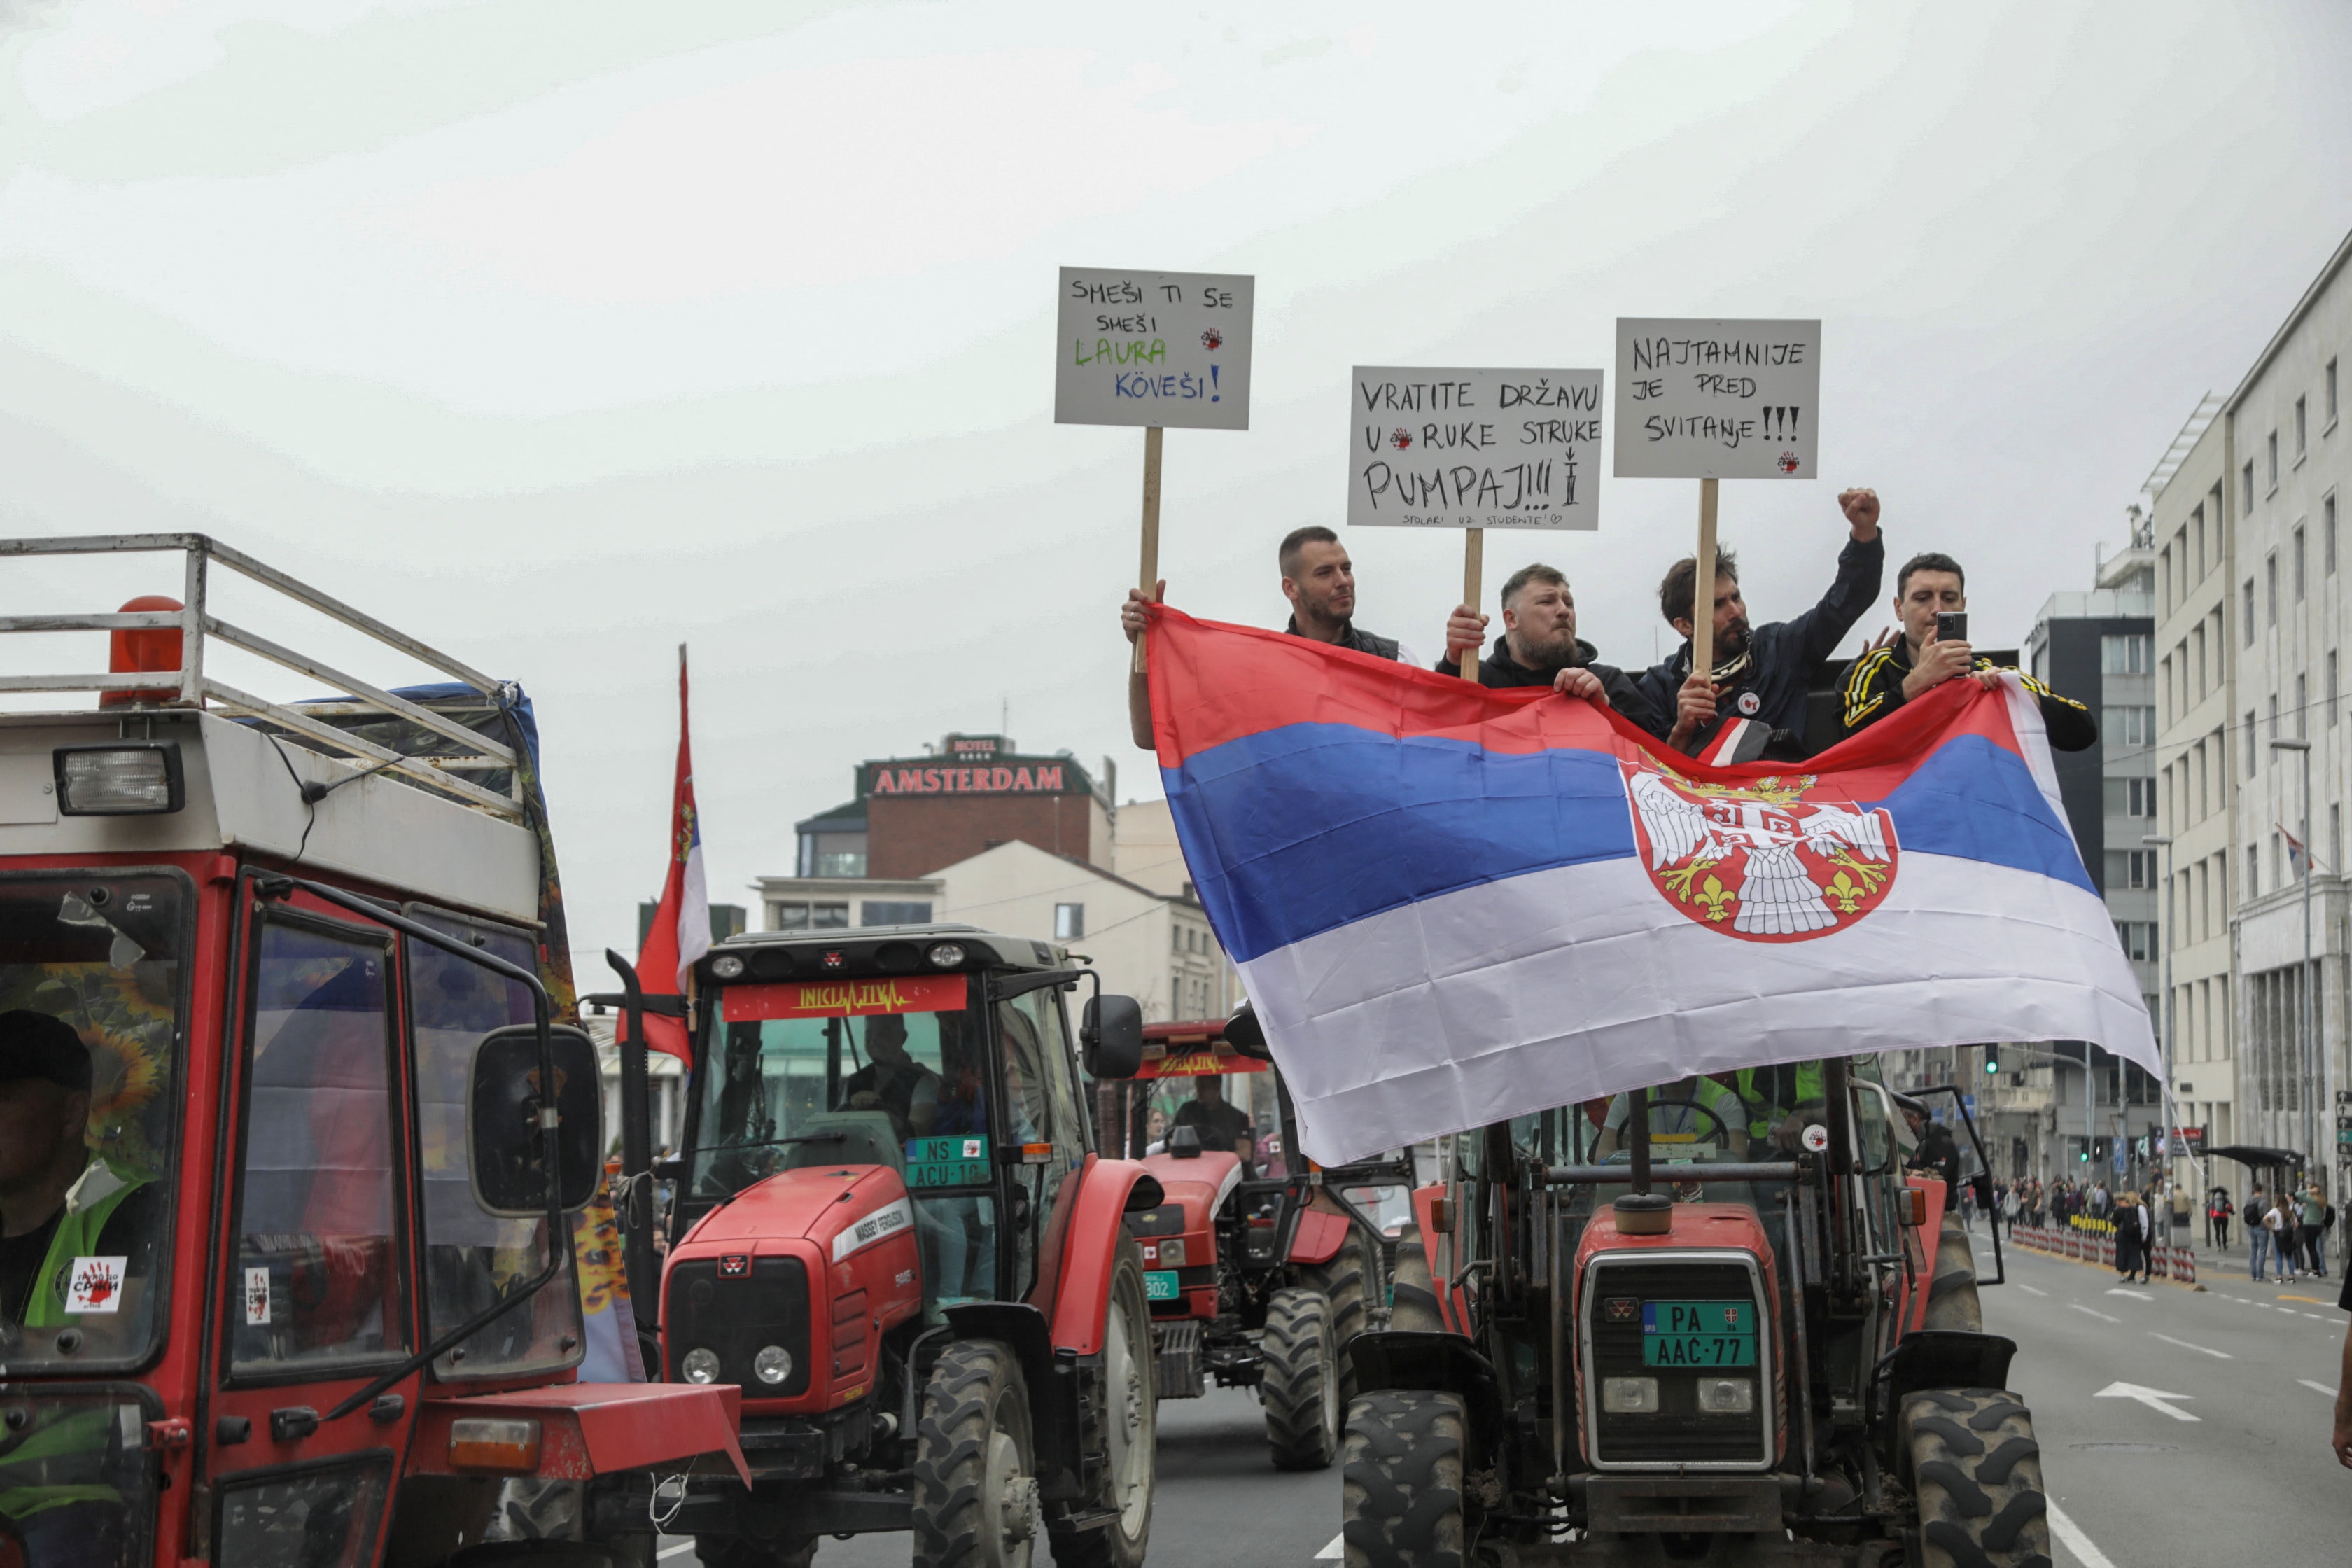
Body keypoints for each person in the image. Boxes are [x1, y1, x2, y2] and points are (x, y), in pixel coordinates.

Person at [0, 1010, 159, 1567]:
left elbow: (99, 1341)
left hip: (71, 1494)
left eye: (5, 1100)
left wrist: (9, 1343)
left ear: (71, 1114)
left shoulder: (119, 1207)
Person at [1123, 524, 1456, 748]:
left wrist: (1456, 659)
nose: (1343, 581)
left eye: (1347, 568)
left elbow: (1445, 741)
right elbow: (1151, 734)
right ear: (1290, 588)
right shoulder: (1257, 677)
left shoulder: (1395, 661)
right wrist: (1146, 646)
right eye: (1325, 573)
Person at [1635, 486, 1886, 762]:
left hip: (1781, 798)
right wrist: (1682, 731)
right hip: (1704, 804)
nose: (1736, 611)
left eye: (1736, 597)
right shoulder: (1659, 687)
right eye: (1717, 605)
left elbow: (1845, 603)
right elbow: (1651, 784)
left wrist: (1864, 535)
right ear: (1684, 626)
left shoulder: (1780, 650)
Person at [1837, 552, 2099, 748]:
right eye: (1922, 598)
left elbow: (2083, 730)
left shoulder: (1989, 673)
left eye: (1949, 598)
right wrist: (1917, 682)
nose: (1937, 609)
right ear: (1898, 608)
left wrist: (2015, 695)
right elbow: (1848, 734)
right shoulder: (1871, 668)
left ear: (1963, 605)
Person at [1434, 564, 1661, 729]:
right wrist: (1454, 662)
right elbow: (1432, 726)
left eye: (1569, 603)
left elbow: (1656, 759)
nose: (1564, 611)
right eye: (1547, 602)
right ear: (1511, 619)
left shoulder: (1606, 682)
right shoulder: (1477, 679)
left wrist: (1605, 707)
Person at [841, 1014, 939, 1143]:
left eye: (883, 1033)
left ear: (902, 1038)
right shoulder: (853, 1083)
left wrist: (879, 1110)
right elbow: (840, 1129)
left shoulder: (924, 1082)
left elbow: (918, 1135)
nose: (874, 1040)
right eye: (869, 1034)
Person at [1172, 1076, 1256, 1165]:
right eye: (1197, 1086)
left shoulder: (1235, 1117)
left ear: (1217, 1087)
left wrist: (1215, 1162)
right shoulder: (1186, 1111)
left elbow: (1245, 1153)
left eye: (1204, 1087)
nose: (1199, 1090)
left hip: (1225, 1171)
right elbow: (1172, 1138)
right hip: (1188, 1167)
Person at [2113, 1193, 2144, 1282]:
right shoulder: (2133, 1209)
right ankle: (2142, 1275)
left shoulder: (2117, 1210)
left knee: (2121, 1255)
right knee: (2135, 1255)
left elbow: (2114, 1223)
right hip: (2133, 1235)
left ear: (2119, 1200)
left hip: (2122, 1235)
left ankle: (2122, 1276)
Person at [2301, 1184, 2330, 1278]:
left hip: (2309, 1225)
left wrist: (2308, 1191)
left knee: (2311, 1248)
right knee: (2316, 1249)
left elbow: (2298, 1195)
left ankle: (2315, 1270)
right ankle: (2318, 1269)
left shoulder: (2313, 1201)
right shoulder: (2321, 1201)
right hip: (2317, 1225)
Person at [2248, 1185, 2273, 1281]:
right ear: (2262, 1190)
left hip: (2251, 1227)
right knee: (2262, 1251)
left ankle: (2252, 1274)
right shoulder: (2264, 1201)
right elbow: (2267, 1216)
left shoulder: (2249, 1200)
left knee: (2253, 1251)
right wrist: (2270, 1226)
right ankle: (2260, 1275)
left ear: (2254, 1190)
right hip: (2262, 1228)